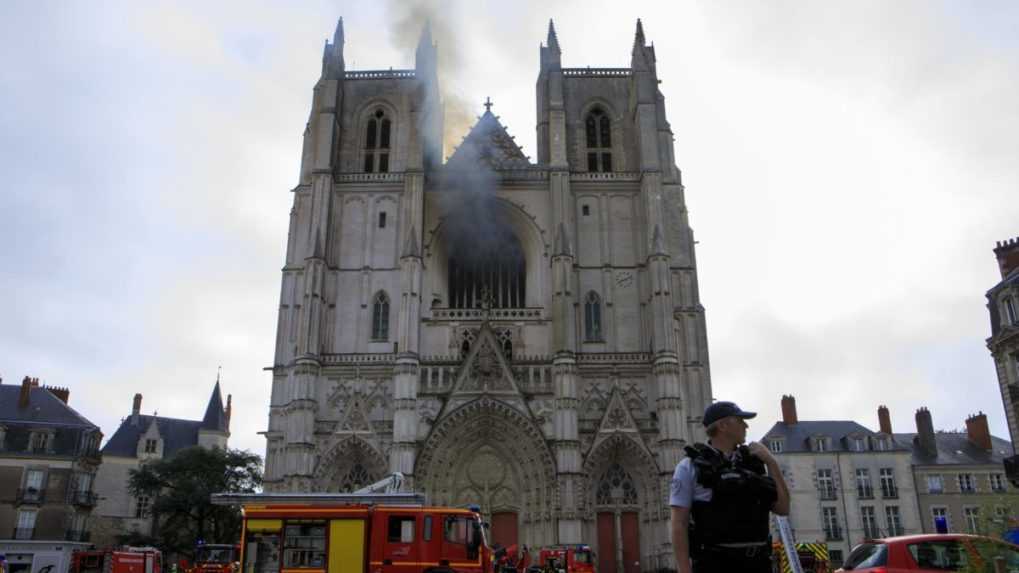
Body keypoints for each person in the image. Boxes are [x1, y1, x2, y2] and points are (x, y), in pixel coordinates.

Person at [670, 401, 790, 573]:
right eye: (740, 420)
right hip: (715, 564)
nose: (746, 425)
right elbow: (678, 524)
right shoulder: (689, 466)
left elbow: (783, 508)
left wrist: (772, 462)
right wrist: (684, 570)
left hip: (758, 563)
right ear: (723, 425)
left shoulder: (753, 463)